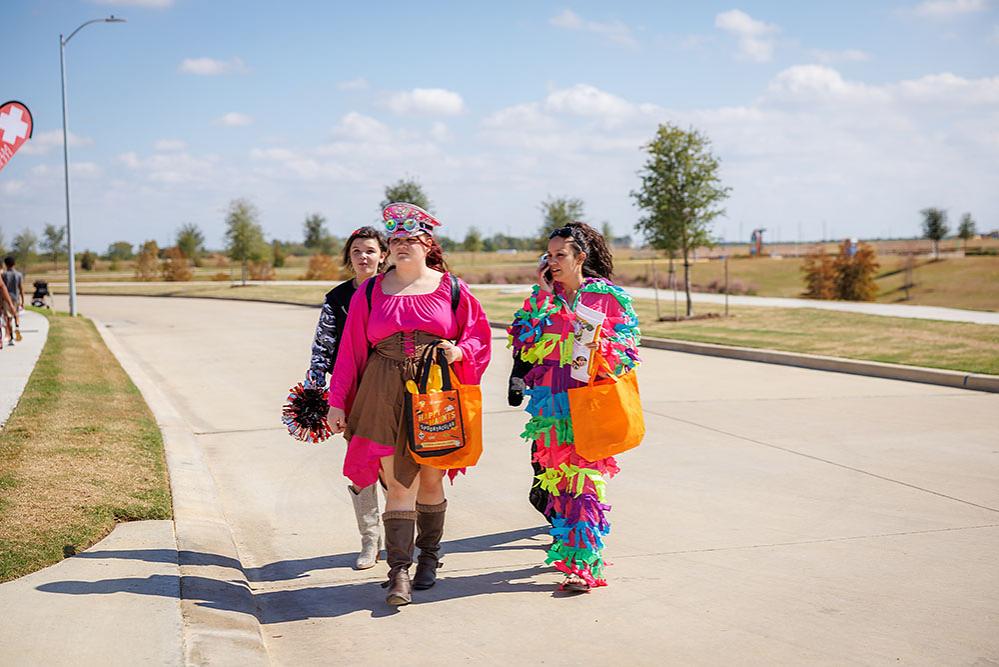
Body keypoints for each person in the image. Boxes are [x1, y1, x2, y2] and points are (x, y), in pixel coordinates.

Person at [328, 202, 492, 606]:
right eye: (396, 240)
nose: (402, 246)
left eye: (410, 240)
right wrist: (337, 403)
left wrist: (459, 352)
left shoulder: (451, 287)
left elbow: (479, 336)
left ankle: (429, 560)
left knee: (431, 480)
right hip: (381, 392)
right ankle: (398, 572)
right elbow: (349, 352)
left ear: (427, 246)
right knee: (398, 483)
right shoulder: (370, 291)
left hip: (435, 389)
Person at [507, 222, 640, 592]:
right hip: (552, 406)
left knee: (585, 481)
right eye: (548, 256)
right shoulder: (543, 297)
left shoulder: (606, 297)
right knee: (560, 482)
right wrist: (544, 296)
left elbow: (627, 351)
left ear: (581, 257)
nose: (553, 262)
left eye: (560, 255)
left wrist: (604, 350)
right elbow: (525, 344)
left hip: (590, 403)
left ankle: (585, 566)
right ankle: (569, 554)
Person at [302, 226, 389, 570]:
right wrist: (315, 390)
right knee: (361, 463)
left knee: (394, 463)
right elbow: (321, 348)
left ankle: (399, 534)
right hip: (352, 391)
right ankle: (371, 540)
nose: (364, 257)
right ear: (349, 258)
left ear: (383, 254)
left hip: (392, 387)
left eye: (370, 250)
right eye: (357, 252)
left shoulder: (395, 290)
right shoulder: (337, 298)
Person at [1, 257, 22, 348]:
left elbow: (2, 288)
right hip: (16, 298)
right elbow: (21, 288)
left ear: (6, 264)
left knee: (8, 318)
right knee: (16, 314)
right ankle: (17, 326)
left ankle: (11, 338)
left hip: (7, 298)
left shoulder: (4, 275)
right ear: (14, 263)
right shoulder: (18, 274)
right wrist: (23, 300)